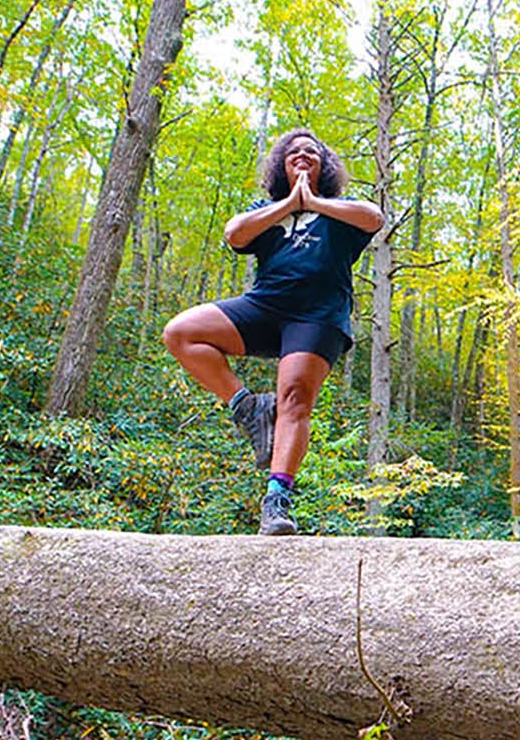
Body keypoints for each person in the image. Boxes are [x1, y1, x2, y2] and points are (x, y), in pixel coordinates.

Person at [161, 128, 384, 535]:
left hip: (317, 315)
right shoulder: (265, 209)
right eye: (294, 152)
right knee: (181, 332)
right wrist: (289, 204)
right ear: (281, 164)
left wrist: (315, 203)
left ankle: (276, 501)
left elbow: (375, 218)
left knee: (295, 398)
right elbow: (235, 234)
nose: (303, 155)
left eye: (312, 151)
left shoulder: (342, 210)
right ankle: (248, 407)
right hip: (265, 306)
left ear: (325, 165)